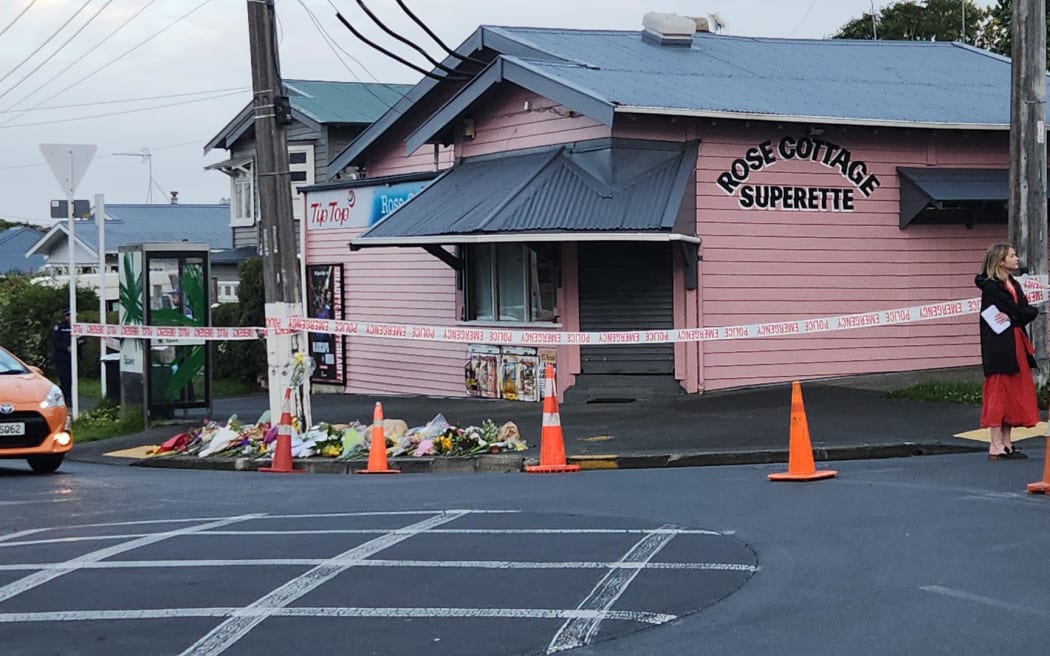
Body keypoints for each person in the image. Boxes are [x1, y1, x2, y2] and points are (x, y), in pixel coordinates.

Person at [975, 243, 1039, 460]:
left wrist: (1016, 315)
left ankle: (1007, 443)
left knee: (1014, 390)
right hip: (1000, 345)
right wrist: (1017, 315)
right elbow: (1016, 311)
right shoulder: (992, 287)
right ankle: (995, 444)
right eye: (1012, 256)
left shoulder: (1012, 283)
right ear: (1001, 261)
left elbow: (1026, 310)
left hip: (1016, 341)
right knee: (999, 390)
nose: (1016, 258)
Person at [50, 309, 73, 406]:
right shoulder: (60, 326)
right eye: (68, 315)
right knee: (64, 379)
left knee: (71, 379)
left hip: (72, 358)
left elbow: (82, 339)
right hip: (61, 358)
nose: (70, 317)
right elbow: (56, 342)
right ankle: (66, 398)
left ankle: (71, 398)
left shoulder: (76, 326)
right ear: (66, 316)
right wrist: (66, 347)